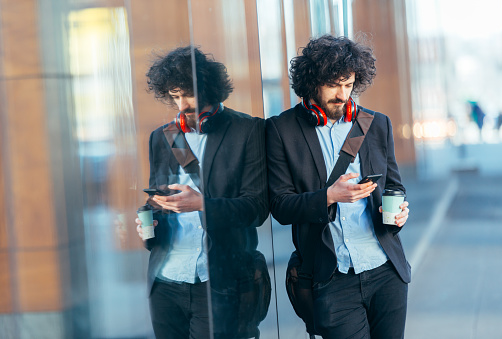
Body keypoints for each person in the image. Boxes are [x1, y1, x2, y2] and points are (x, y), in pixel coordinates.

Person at [266, 35, 411, 338]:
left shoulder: (377, 124)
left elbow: (394, 186)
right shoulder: (282, 130)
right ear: (311, 82)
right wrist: (329, 196)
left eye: (348, 85)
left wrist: (398, 214)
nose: (342, 94)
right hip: (332, 279)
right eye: (333, 85)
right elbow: (280, 205)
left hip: (386, 271)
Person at [136, 46, 269, 339]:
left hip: (220, 281)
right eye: (175, 96)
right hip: (166, 280)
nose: (182, 104)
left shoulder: (248, 131)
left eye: (188, 93)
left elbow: (257, 208)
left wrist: (202, 205)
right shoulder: (162, 137)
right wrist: (148, 219)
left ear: (208, 87)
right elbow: (156, 198)